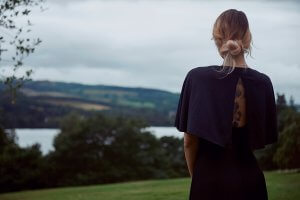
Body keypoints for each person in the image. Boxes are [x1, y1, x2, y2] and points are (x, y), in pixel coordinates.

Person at [174, 9, 278, 200]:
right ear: (248, 39)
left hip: (208, 179)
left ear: (216, 38)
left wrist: (197, 178)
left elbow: (189, 142)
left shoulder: (197, 78)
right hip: (250, 179)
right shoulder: (264, 82)